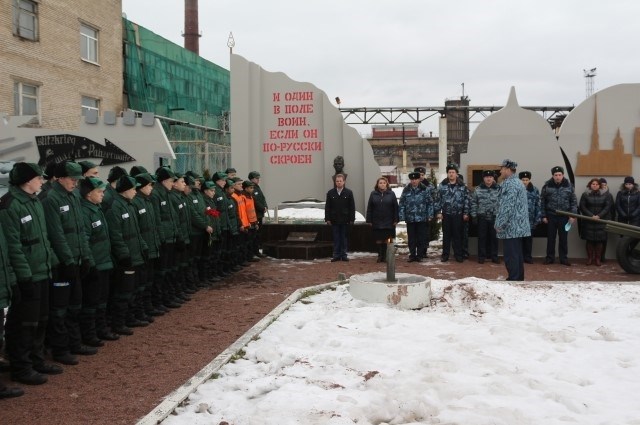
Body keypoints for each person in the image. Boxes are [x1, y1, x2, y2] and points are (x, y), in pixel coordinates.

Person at [1, 162, 59, 387]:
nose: (42, 181)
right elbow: (14, 247)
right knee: (24, 323)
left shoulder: (34, 201)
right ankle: (21, 367)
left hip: (41, 271)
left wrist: (49, 263)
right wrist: (24, 277)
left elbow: (42, 239)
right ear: (27, 180)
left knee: (41, 319)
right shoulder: (10, 205)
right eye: (39, 178)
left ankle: (36, 359)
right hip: (27, 276)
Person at [42, 161, 96, 365]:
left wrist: (85, 257)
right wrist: (68, 261)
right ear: (60, 178)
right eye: (73, 179)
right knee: (59, 309)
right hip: (61, 264)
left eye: (77, 180)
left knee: (75, 305)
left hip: (75, 260)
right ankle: (60, 349)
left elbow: (80, 231)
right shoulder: (51, 199)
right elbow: (57, 235)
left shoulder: (72, 197)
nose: (76, 183)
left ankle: (74, 343)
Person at [105, 175, 148, 335]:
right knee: (123, 292)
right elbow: (116, 235)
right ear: (125, 190)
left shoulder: (129, 206)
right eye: (133, 189)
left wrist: (143, 247)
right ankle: (118, 323)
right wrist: (124, 255)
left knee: (133, 289)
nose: (135, 192)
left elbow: (136, 232)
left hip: (135, 254)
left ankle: (130, 318)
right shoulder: (115, 208)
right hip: (126, 258)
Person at [78, 177, 118, 346]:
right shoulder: (85, 212)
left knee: (102, 300)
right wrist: (90, 263)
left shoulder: (96, 209)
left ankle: (100, 329)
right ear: (88, 194)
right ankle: (89, 334)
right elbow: (85, 241)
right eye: (99, 192)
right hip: (96, 264)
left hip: (104, 262)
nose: (103, 194)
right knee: (91, 301)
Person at [495, 159, 530, 281]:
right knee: (517, 254)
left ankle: (514, 279)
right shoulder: (517, 182)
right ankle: (518, 278)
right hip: (517, 225)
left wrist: (499, 223)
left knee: (511, 255)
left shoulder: (510, 184)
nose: (500, 171)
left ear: (508, 170)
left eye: (502, 169)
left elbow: (507, 206)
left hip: (512, 226)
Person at [540, 165, 577, 266]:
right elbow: (542, 201)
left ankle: (563, 258)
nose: (557, 177)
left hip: (564, 217)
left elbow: (573, 202)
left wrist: (572, 216)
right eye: (555, 175)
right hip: (551, 216)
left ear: (563, 175)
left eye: (559, 175)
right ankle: (550, 258)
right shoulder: (547, 186)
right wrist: (543, 216)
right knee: (551, 238)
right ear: (552, 176)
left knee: (563, 238)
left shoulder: (569, 186)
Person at [435, 164, 470, 262]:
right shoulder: (442, 186)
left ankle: (458, 255)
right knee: (446, 236)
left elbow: (466, 200)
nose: (451, 174)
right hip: (446, 214)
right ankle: (445, 255)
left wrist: (466, 213)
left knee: (457, 236)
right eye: (449, 172)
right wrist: (438, 212)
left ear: (456, 174)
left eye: (453, 172)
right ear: (447, 174)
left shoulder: (462, 186)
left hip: (458, 214)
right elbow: (438, 200)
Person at [398, 173, 432, 262]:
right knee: (411, 238)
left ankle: (420, 255)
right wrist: (402, 215)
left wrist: (430, 215)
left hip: (422, 218)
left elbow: (429, 203)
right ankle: (412, 255)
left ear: (419, 179)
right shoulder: (406, 190)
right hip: (410, 218)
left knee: (421, 237)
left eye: (416, 179)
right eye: (412, 180)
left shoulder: (425, 189)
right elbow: (401, 203)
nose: (414, 181)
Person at [579, 178, 613, 266]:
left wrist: (599, 216)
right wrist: (591, 216)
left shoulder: (606, 195)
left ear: (599, 186)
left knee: (599, 241)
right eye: (593, 184)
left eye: (597, 184)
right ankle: (590, 258)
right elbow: (582, 206)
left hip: (600, 221)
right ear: (590, 185)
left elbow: (607, 207)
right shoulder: (585, 194)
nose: (595, 186)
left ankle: (597, 259)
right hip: (588, 221)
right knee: (589, 241)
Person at [470, 170, 500, 264]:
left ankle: (494, 256)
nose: (488, 178)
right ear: (483, 178)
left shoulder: (499, 189)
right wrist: (474, 216)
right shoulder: (478, 189)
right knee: (482, 238)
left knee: (494, 238)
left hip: (494, 217)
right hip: (482, 217)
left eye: (490, 177)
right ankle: (481, 256)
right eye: (487, 177)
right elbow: (474, 203)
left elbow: (502, 203)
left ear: (493, 178)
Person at [366, 177, 399, 262]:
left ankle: (386, 256)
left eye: (384, 183)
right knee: (379, 240)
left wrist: (396, 219)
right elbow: (370, 208)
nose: (382, 184)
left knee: (388, 240)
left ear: (386, 184)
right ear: (377, 184)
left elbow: (396, 207)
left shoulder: (391, 194)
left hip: (389, 221)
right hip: (377, 221)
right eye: (380, 183)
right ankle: (380, 256)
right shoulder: (373, 194)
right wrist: (369, 220)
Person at [325, 173, 356, 262]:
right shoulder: (331, 193)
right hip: (334, 220)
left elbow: (352, 207)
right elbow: (328, 207)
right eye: (337, 181)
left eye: (340, 181)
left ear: (344, 182)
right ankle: (336, 255)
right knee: (336, 238)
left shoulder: (349, 192)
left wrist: (352, 219)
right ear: (335, 182)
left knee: (344, 238)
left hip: (345, 220)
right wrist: (327, 218)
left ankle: (344, 255)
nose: (339, 182)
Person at [519, 171, 542, 264]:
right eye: (523, 180)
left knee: (528, 239)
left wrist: (538, 218)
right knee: (519, 239)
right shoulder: (516, 189)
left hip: (530, 219)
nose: (525, 182)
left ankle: (528, 257)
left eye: (526, 180)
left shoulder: (534, 190)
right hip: (519, 219)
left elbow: (538, 204)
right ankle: (519, 257)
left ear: (529, 180)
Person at [249, 171, 268, 257]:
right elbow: (255, 201)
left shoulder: (257, 187)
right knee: (255, 234)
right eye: (256, 178)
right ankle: (254, 252)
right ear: (252, 179)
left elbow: (262, 198)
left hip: (260, 214)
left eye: (258, 178)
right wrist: (262, 207)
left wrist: (265, 206)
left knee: (258, 234)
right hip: (255, 214)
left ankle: (257, 251)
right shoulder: (251, 187)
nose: (258, 180)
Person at [598, 178, 615, 263]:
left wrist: (612, 219)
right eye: (601, 185)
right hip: (596, 219)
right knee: (595, 239)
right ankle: (596, 257)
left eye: (604, 185)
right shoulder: (594, 194)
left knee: (604, 238)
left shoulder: (609, 195)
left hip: (606, 219)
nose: (603, 186)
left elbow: (612, 208)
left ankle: (602, 256)